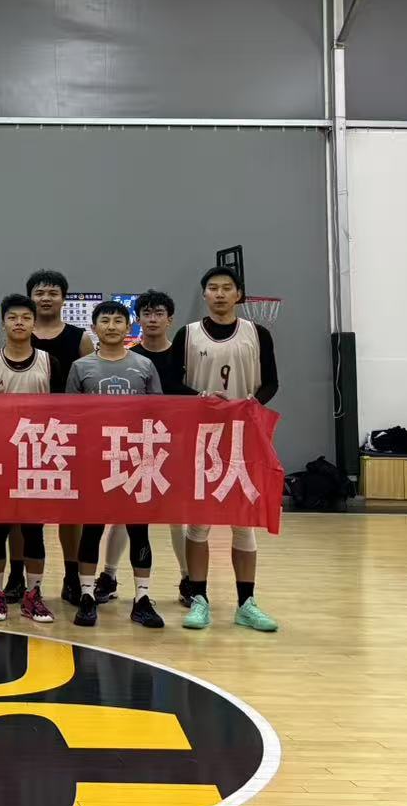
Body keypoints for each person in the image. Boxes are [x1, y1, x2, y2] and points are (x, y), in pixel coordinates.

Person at [170, 266, 280, 632]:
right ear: (204, 294)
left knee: (243, 522)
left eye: (226, 288)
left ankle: (246, 603)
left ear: (238, 294)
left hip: (245, 436)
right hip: (200, 437)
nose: (219, 293)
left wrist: (253, 403)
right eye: (213, 288)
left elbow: (272, 382)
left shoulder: (258, 334)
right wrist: (199, 398)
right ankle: (198, 598)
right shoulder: (187, 334)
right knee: (198, 521)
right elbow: (172, 384)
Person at [67, 299, 165, 630]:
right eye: (105, 321)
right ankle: (86, 595)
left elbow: (159, 414)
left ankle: (142, 599)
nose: (111, 326)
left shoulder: (144, 365)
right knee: (92, 528)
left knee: (139, 530)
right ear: (94, 328)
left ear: (128, 327)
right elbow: (70, 417)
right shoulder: (81, 367)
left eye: (118, 320)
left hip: (136, 458)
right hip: (94, 460)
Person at [0, 294, 62, 624]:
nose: (19, 323)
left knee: (33, 530)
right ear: (3, 323)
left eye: (26, 317)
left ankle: (33, 595)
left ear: (34, 323)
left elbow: (62, 412)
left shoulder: (50, 363)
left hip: (37, 456)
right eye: (13, 317)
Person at [27, 268, 96, 604]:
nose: (46, 298)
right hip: (28, 432)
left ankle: (72, 575)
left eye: (53, 293)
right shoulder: (20, 332)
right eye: (40, 293)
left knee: (71, 510)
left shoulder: (80, 338)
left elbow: (88, 382)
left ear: (63, 298)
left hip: (69, 432)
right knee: (28, 510)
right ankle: (22, 576)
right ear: (31, 297)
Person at [126, 288, 191, 606]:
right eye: (147, 314)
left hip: (176, 441)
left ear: (170, 319)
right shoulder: (129, 358)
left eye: (159, 313)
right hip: (136, 441)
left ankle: (188, 578)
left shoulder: (184, 357)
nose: (152, 319)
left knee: (178, 514)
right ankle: (109, 575)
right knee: (123, 513)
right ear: (138, 319)